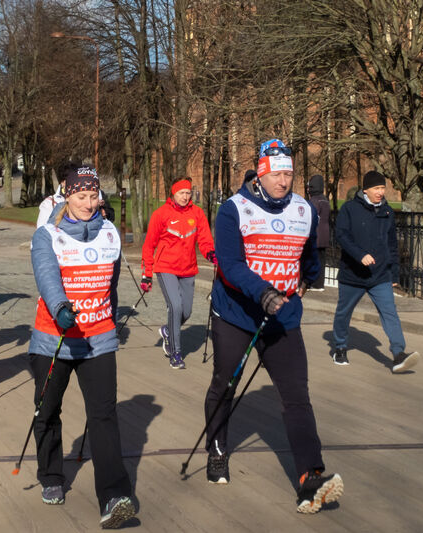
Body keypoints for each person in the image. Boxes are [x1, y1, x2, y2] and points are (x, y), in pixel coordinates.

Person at [204, 138, 343, 513]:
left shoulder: (304, 209)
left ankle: (310, 477)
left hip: (283, 316)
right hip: (236, 313)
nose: (284, 181)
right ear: (261, 174)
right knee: (225, 383)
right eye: (277, 174)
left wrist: (310, 278)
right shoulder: (235, 209)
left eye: (289, 174)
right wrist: (262, 291)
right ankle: (216, 449)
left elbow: (309, 253)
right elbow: (229, 266)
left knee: (297, 395)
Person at [29, 165, 135, 529]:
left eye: (93, 196)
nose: (88, 203)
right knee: (47, 410)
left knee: (104, 415)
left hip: (98, 338)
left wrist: (111, 319)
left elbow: (112, 283)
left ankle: (114, 495)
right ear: (66, 195)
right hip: (54, 337)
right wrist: (61, 308)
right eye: (81, 196)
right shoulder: (48, 235)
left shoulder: (109, 232)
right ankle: (52, 476)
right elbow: (47, 276)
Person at [331, 170, 420, 372]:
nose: (380, 192)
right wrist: (360, 255)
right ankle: (340, 346)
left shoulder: (386, 211)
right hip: (352, 275)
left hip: (379, 276)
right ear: (366, 190)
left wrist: (394, 274)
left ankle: (398, 354)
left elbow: (392, 245)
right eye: (376, 188)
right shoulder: (350, 209)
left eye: (382, 188)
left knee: (390, 312)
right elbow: (342, 236)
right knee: (344, 313)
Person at [140, 177, 215, 369]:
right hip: (166, 267)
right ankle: (176, 353)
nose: (185, 196)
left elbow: (205, 240)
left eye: (188, 193)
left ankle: (168, 330)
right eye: (182, 193)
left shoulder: (197, 213)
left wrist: (212, 255)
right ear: (173, 193)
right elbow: (149, 245)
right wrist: (147, 274)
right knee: (175, 306)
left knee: (186, 311)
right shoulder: (161, 214)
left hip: (188, 268)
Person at [307, 174, 330, 291]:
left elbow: (311, 217)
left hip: (316, 234)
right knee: (321, 259)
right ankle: (320, 284)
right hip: (325, 234)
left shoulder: (314, 201)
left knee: (312, 259)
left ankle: (313, 283)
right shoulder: (325, 200)